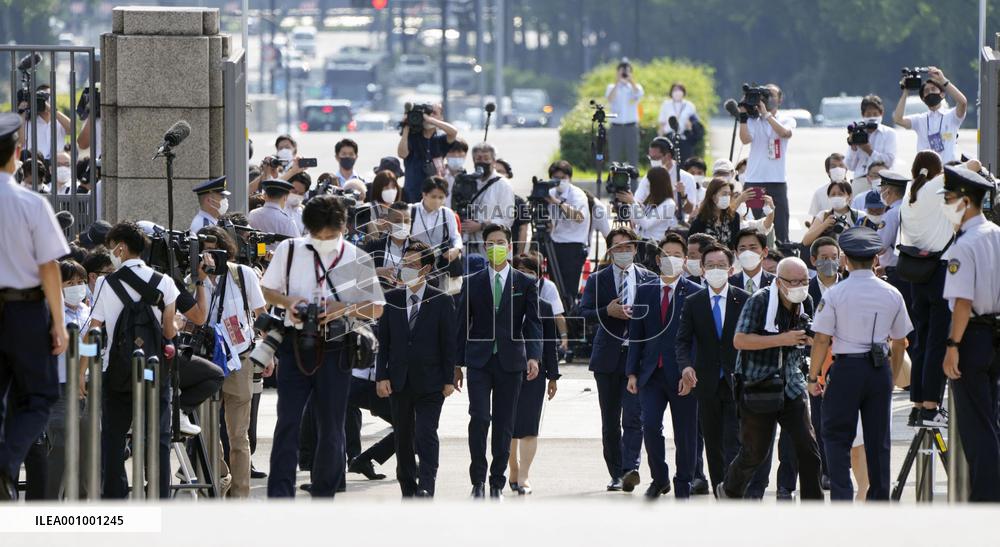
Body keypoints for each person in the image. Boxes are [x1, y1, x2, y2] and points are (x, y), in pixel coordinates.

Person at [260, 195, 384, 498]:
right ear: (308, 229)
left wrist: (342, 308)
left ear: (342, 227)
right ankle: (280, 493)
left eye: (330, 235)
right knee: (288, 421)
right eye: (318, 236)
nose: (324, 240)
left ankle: (326, 490)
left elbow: (377, 307)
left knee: (332, 423)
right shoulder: (290, 250)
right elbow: (266, 289)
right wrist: (290, 301)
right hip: (294, 343)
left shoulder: (356, 256)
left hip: (336, 347)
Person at [809, 227, 912, 501]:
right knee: (878, 441)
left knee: (836, 436)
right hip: (878, 370)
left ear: (845, 260)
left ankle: (842, 498)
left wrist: (813, 376)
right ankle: (878, 502)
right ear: (875, 259)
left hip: (845, 369)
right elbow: (900, 341)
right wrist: (890, 376)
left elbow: (821, 339)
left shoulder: (835, 294)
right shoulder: (892, 293)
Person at [0, 112, 70, 501]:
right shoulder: (30, 203)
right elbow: (49, 266)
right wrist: (58, 323)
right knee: (39, 397)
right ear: (17, 154)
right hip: (24, 310)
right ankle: (6, 463)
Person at [86, 222, 179, 499]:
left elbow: (94, 328)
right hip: (153, 369)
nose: (111, 253)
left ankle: (115, 498)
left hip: (117, 371)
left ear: (121, 248)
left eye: (111, 248)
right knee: (158, 437)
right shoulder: (166, 282)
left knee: (113, 438)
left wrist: (84, 369)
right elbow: (169, 331)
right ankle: (158, 498)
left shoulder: (105, 282)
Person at [718, 257, 823, 500]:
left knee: (809, 449)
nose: (800, 286)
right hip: (758, 383)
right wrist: (782, 339)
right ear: (779, 281)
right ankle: (730, 490)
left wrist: (809, 340)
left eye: (804, 281)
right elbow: (740, 340)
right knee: (755, 452)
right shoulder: (760, 300)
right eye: (794, 281)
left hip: (792, 385)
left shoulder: (805, 300)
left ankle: (814, 509)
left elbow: (809, 334)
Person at [457, 223, 542, 499]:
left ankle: (497, 482)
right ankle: (478, 480)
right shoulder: (472, 282)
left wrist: (534, 356)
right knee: (480, 417)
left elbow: (534, 324)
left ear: (510, 246)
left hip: (511, 362)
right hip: (480, 362)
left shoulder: (526, 283)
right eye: (491, 242)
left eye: (501, 242)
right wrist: (456, 364)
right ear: (485, 247)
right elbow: (461, 326)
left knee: (505, 423)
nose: (497, 247)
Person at [676, 244, 767, 496]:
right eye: (711, 266)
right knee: (713, 443)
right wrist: (685, 367)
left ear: (731, 269)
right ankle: (720, 490)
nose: (716, 270)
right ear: (702, 270)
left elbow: (754, 338)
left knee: (735, 441)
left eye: (721, 265)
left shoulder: (745, 299)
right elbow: (683, 340)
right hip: (705, 384)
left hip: (737, 381)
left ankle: (735, 489)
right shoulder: (694, 302)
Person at [375, 241, 457, 498]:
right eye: (404, 264)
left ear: (426, 268)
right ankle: (408, 487)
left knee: (425, 433)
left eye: (412, 264)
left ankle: (426, 485)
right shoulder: (391, 299)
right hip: (399, 380)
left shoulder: (441, 300)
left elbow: (448, 343)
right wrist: (382, 376)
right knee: (402, 437)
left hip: (431, 381)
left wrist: (448, 378)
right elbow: (384, 343)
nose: (406, 268)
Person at [578, 227, 656, 492]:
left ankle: (630, 468)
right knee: (610, 419)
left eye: (627, 247)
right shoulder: (597, 279)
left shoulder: (648, 278)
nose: (623, 252)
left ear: (635, 249)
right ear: (609, 251)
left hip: (637, 356)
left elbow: (658, 314)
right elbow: (583, 312)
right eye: (617, 247)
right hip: (608, 357)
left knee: (634, 416)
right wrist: (607, 311)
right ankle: (615, 472)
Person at [939, 165, 1000, 502]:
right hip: (994, 335)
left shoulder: (965, 244)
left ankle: (987, 502)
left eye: (949, 198)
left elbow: (962, 302)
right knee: (991, 419)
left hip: (972, 337)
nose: (946, 204)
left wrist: (952, 345)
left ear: (965, 201)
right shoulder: (997, 233)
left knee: (977, 428)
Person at [626, 233, 702, 498]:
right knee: (650, 427)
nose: (672, 259)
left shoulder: (695, 292)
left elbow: (697, 339)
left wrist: (688, 370)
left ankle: (684, 482)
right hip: (651, 374)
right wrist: (632, 372)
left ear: (685, 260)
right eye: (667, 255)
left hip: (682, 376)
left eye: (678, 255)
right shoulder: (645, 291)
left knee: (685, 433)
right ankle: (659, 478)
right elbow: (636, 334)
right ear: (658, 260)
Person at [197, 226, 267, 498]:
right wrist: (201, 280)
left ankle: (240, 495)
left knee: (238, 435)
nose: (208, 255)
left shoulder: (242, 274)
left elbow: (262, 315)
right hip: (206, 360)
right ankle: (220, 476)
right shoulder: (194, 277)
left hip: (240, 357)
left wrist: (267, 354)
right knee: (203, 430)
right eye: (203, 249)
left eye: (213, 248)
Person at [898, 151, 952, 427]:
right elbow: (974, 166)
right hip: (940, 272)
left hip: (916, 275)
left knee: (921, 340)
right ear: (937, 170)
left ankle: (918, 405)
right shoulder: (935, 188)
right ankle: (932, 407)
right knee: (937, 342)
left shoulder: (909, 197)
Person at [508, 254, 560, 495]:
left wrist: (553, 377)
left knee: (529, 425)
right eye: (520, 271)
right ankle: (513, 468)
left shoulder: (545, 306)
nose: (526, 276)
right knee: (508, 424)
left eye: (530, 272)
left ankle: (525, 475)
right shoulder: (504, 303)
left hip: (534, 374)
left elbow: (550, 344)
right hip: (505, 370)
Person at [738, 84, 796, 243]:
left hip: (777, 180)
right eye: (764, 95)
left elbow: (785, 133)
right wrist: (743, 116)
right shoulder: (753, 120)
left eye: (770, 95)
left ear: (780, 99)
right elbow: (745, 139)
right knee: (754, 228)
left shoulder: (786, 119)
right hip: (755, 179)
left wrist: (766, 114)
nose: (766, 98)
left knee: (781, 226)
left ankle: (782, 258)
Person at [541, 160, 591, 309]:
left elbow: (579, 217)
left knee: (568, 290)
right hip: (554, 243)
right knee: (555, 286)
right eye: (555, 178)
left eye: (563, 178)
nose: (559, 181)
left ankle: (569, 317)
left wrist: (556, 202)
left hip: (573, 246)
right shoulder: (550, 192)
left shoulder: (577, 194)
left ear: (569, 178)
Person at [893, 66, 968, 164]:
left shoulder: (952, 116)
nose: (930, 92)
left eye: (933, 89)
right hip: (926, 173)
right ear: (923, 99)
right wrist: (905, 91)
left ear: (942, 94)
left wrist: (943, 80)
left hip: (948, 170)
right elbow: (898, 119)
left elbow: (963, 102)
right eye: (926, 91)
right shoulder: (920, 119)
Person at [461, 143, 516, 256]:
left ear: (494, 161)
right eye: (478, 159)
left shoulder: (503, 184)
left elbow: (507, 219)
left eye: (486, 158)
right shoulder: (468, 181)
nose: (482, 162)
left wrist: (480, 225)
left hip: (495, 247)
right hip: (469, 244)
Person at [397, 103, 459, 203]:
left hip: (435, 196)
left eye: (434, 113)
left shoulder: (440, 139)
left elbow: (454, 132)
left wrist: (430, 120)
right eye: (426, 113)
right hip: (412, 195)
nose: (429, 116)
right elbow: (402, 154)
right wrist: (406, 128)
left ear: (441, 117)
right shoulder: (412, 137)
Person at [408, 177, 462, 285]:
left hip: (440, 266)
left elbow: (455, 236)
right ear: (424, 194)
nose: (437, 200)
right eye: (433, 196)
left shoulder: (447, 213)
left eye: (441, 197)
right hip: (414, 265)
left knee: (439, 297)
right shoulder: (410, 210)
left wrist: (456, 249)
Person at [874, 170, 912, 316]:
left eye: (882, 189)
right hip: (911, 268)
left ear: (888, 191)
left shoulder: (891, 214)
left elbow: (879, 246)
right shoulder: (909, 209)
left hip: (896, 272)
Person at [635, 137, 699, 216]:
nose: (653, 161)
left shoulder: (686, 178)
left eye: (657, 158)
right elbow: (638, 200)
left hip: (676, 225)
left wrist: (683, 195)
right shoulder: (648, 177)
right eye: (651, 158)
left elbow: (689, 210)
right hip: (653, 222)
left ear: (668, 156)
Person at [845, 95, 897, 181]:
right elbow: (850, 166)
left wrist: (870, 151)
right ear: (863, 115)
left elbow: (889, 161)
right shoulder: (857, 132)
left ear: (881, 113)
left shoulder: (889, 133)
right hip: (860, 179)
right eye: (868, 114)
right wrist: (853, 148)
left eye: (875, 114)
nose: (872, 117)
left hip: (881, 179)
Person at [619, 166, 676, 242]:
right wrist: (635, 206)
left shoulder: (669, 204)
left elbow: (646, 224)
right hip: (640, 240)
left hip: (654, 244)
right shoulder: (652, 199)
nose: (647, 184)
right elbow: (636, 221)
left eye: (649, 181)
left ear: (657, 183)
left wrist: (633, 203)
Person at [605, 59, 644, 168]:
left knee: (633, 157)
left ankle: (634, 184)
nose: (624, 74)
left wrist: (631, 81)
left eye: (627, 71)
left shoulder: (636, 87)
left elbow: (638, 94)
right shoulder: (611, 87)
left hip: (631, 126)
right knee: (614, 157)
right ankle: (613, 183)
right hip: (616, 126)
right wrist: (617, 82)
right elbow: (610, 99)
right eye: (622, 71)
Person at [364, 201, 411, 290]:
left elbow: (434, 278)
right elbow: (358, 273)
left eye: (407, 221)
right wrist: (376, 272)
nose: (403, 225)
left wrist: (418, 275)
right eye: (398, 221)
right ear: (388, 222)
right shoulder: (374, 245)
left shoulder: (420, 247)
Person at [18, 85, 70, 161]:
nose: (46, 100)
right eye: (41, 97)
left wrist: (50, 108)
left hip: (57, 164)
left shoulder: (59, 121)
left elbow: (72, 129)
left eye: (48, 96)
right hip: (36, 165)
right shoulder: (27, 123)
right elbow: (20, 143)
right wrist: (23, 112)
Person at [802, 181, 859, 247]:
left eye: (840, 194)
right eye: (833, 194)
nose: (836, 197)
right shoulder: (823, 215)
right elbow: (806, 241)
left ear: (849, 196)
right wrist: (824, 225)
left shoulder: (859, 216)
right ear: (828, 197)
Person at [689, 178, 741, 248]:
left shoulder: (734, 217)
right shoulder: (700, 221)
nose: (727, 197)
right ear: (713, 196)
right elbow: (692, 245)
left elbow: (736, 244)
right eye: (724, 194)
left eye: (729, 194)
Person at [658, 83, 703, 161]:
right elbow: (662, 123)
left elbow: (695, 122)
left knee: (685, 161)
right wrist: (659, 139)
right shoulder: (666, 105)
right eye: (675, 90)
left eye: (680, 90)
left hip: (685, 138)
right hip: (670, 137)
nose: (677, 92)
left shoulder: (689, 105)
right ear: (671, 92)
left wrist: (690, 126)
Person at [729, 228, 774, 294]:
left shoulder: (775, 283)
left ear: (765, 252)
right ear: (736, 254)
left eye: (753, 248)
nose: (747, 253)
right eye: (742, 249)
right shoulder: (729, 283)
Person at [808, 154, 847, 220]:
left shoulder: (854, 190)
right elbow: (815, 219)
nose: (837, 169)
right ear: (828, 171)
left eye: (841, 166)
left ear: (846, 169)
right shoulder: (819, 193)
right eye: (833, 166)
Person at [367, 170, 402, 239]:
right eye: (386, 188)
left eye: (393, 187)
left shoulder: (400, 209)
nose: (391, 190)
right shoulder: (368, 209)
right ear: (378, 189)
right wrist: (375, 227)